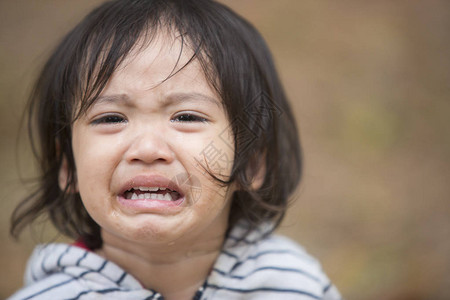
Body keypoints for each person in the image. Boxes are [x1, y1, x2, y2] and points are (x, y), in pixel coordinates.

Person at [9, 0, 341, 299]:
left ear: (251, 164)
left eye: (186, 116)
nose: (148, 148)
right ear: (67, 165)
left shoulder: (292, 284)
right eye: (110, 118)